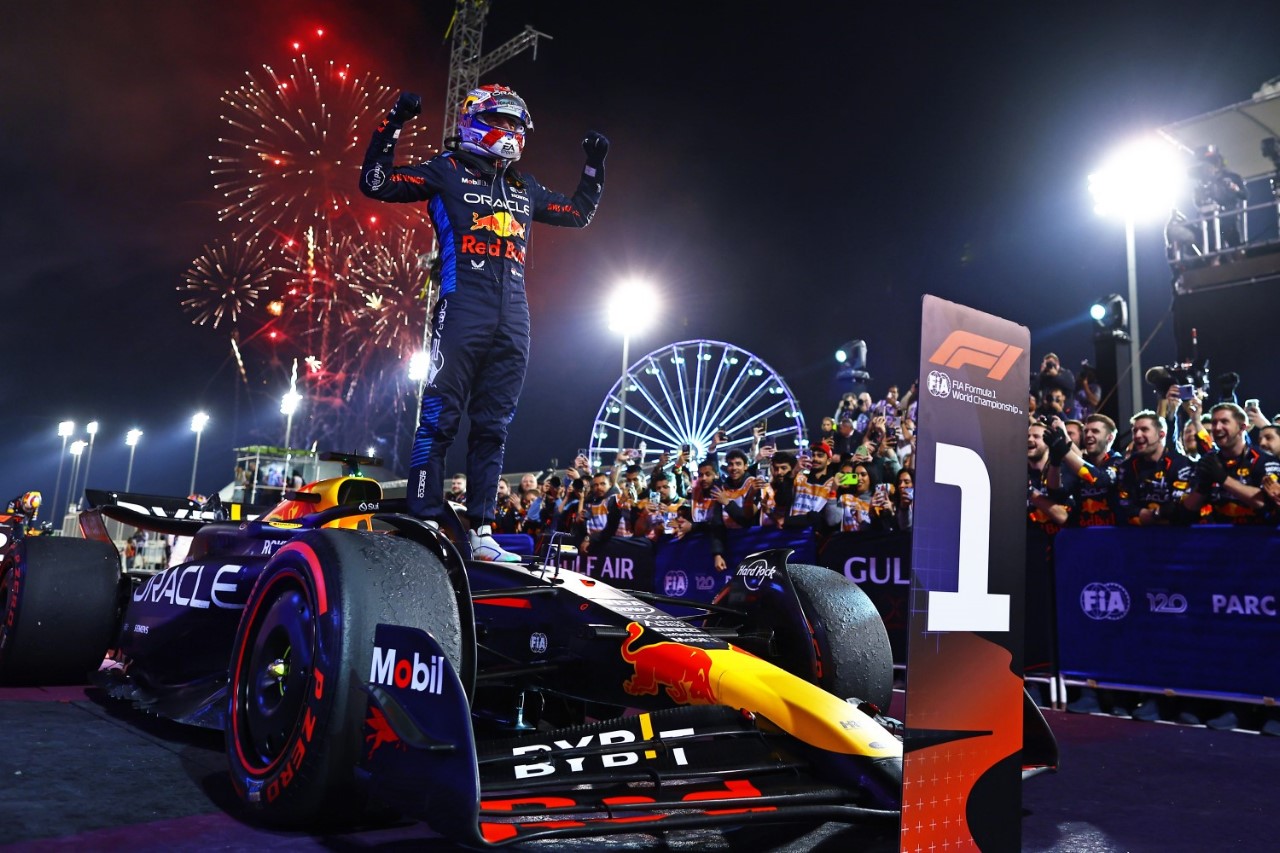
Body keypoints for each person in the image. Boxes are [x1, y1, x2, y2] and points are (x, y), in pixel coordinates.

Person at [360, 85, 607, 562]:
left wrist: (595, 166)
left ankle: (482, 531)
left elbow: (578, 213)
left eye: (519, 126)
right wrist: (393, 122)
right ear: (476, 120)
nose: (513, 133)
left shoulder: (524, 186)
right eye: (506, 122)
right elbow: (375, 182)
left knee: (493, 426)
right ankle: (426, 519)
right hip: (462, 305)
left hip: (514, 315)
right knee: (440, 417)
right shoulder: (446, 170)